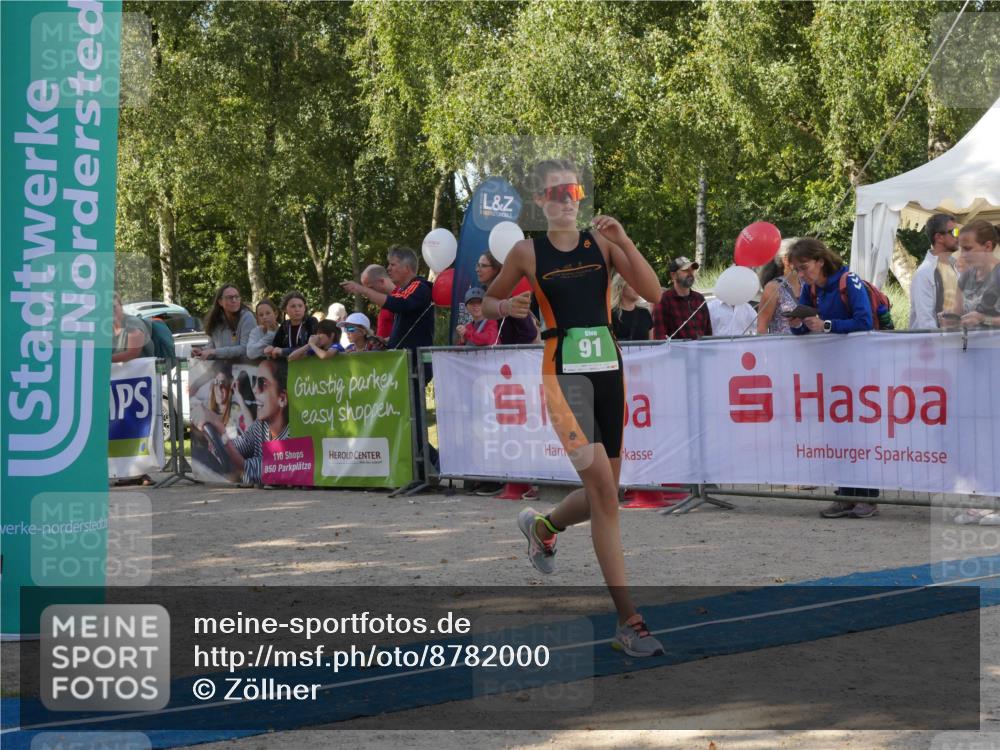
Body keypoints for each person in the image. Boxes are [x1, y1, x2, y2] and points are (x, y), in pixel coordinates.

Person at [483, 158, 666, 658]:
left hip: (610, 373)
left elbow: (653, 292)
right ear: (540, 202)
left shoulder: (602, 242)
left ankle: (543, 527)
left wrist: (625, 242)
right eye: (555, 192)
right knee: (606, 496)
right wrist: (506, 307)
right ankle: (629, 621)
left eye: (573, 189)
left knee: (606, 491)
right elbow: (485, 302)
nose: (566, 198)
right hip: (563, 375)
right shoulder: (526, 252)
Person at [787, 237, 879, 519]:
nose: (802, 275)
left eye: (804, 267)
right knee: (837, 434)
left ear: (820, 260)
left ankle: (867, 497)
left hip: (859, 369)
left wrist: (826, 325)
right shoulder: (810, 288)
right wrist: (796, 325)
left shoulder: (848, 281)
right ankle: (845, 495)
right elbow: (805, 327)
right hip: (831, 372)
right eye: (798, 270)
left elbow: (864, 321)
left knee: (860, 433)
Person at [198, 358, 289, 486]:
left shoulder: (290, 439)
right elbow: (240, 445)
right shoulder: (261, 426)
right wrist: (215, 445)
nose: (255, 389)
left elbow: (247, 468)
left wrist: (221, 432)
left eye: (262, 383)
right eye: (254, 382)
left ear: (282, 398)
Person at [909, 213, 960, 330]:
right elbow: (926, 322)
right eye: (954, 232)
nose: (958, 236)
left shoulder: (955, 268)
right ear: (939, 237)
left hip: (953, 343)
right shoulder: (924, 273)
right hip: (931, 345)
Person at [477, 250, 539, 345]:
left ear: (496, 269)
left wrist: (510, 352)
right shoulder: (477, 295)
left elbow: (530, 333)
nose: (477, 269)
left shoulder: (508, 298)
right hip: (487, 357)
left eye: (483, 266)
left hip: (507, 357)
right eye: (478, 265)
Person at [652, 257, 712, 340]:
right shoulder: (663, 300)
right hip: (676, 352)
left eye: (692, 270)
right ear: (673, 275)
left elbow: (708, 333)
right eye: (686, 270)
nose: (690, 273)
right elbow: (659, 336)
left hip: (702, 351)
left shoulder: (699, 299)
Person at [192, 284, 256, 361]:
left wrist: (214, 352)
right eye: (230, 297)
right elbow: (212, 348)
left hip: (243, 369)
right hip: (219, 369)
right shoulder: (215, 320)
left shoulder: (247, 317)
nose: (234, 300)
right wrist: (201, 351)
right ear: (220, 302)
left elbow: (245, 349)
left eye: (237, 297)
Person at [959, 221, 1000, 329]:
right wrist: (950, 317)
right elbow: (958, 310)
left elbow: (980, 318)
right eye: (961, 249)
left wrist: (983, 319)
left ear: (987, 246)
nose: (962, 255)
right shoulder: (965, 276)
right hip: (970, 344)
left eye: (967, 249)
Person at [756, 239, 802, 335]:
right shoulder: (773, 288)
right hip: (782, 346)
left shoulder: (807, 283)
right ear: (786, 260)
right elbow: (761, 328)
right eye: (799, 258)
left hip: (808, 346)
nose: (803, 261)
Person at [265, 291, 318, 359]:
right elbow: (276, 345)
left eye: (300, 306)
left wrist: (283, 351)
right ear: (285, 310)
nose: (297, 309)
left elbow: (310, 348)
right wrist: (270, 348)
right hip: (288, 364)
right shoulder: (284, 325)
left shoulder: (311, 322)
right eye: (293, 306)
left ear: (304, 308)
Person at [111, 292, 154, 363]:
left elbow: (132, 354)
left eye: (113, 307)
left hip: (142, 372)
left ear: (121, 306)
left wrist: (102, 360)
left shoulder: (132, 323)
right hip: (120, 373)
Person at [610, 272, 653, 341]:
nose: (637, 288)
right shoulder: (610, 314)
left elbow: (651, 345)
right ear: (621, 287)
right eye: (632, 285)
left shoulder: (645, 313)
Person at [360, 264, 396, 339]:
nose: (368, 294)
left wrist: (387, 340)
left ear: (382, 281)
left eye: (371, 288)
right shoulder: (384, 302)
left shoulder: (401, 299)